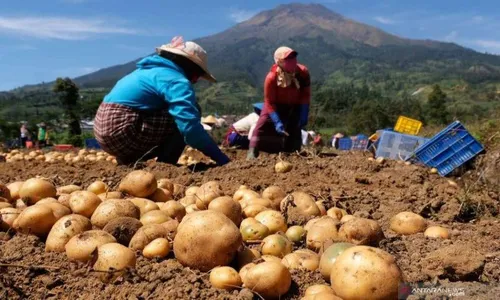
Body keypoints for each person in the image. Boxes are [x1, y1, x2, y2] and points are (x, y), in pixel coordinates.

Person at [94, 36, 230, 166]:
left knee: (172, 110)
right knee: (189, 113)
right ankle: (166, 164)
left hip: (102, 132)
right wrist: (222, 159)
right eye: (196, 75)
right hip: (123, 131)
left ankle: (128, 159)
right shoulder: (175, 79)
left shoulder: (145, 72)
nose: (194, 81)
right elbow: (190, 129)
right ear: (188, 65)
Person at [247, 46, 311, 159]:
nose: (293, 61)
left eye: (294, 57)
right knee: (261, 125)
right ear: (279, 62)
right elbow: (269, 101)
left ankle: (292, 153)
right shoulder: (271, 78)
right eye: (288, 59)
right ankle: (252, 152)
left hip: (295, 104)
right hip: (274, 104)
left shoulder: (303, 72)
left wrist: (304, 111)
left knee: (295, 127)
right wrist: (276, 121)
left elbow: (305, 94)